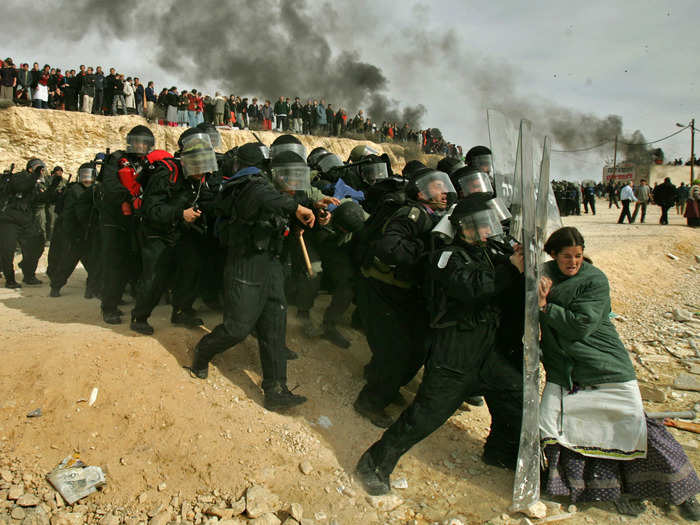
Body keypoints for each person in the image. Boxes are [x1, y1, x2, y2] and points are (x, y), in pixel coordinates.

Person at [355, 197, 525, 496]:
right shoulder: (446, 257)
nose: (487, 230)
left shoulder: (489, 254)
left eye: (489, 224)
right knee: (425, 415)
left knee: (513, 393)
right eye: (480, 226)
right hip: (455, 353)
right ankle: (374, 463)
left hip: (487, 349)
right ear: (464, 229)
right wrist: (511, 268)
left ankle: (500, 451)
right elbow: (472, 287)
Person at [537, 226, 700, 520]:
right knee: (560, 428)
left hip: (605, 367)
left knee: (632, 426)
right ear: (553, 255)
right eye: (566, 257)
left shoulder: (594, 280)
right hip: (566, 373)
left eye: (578, 255)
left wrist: (547, 307)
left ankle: (683, 491)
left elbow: (581, 324)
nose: (573, 262)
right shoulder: (543, 275)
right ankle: (593, 489)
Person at [187, 142, 316, 412]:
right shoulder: (250, 184)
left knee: (274, 326)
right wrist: (295, 209)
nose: (293, 183)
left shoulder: (275, 191)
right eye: (288, 176)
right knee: (237, 328)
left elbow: (285, 210)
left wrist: (315, 211)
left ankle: (276, 389)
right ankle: (203, 352)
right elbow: (265, 199)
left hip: (271, 264)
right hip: (244, 264)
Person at [354, 168, 456, 428]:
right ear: (421, 193)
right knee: (396, 352)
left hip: (405, 291)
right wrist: (427, 251)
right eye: (436, 187)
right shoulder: (412, 214)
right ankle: (371, 401)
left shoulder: (437, 217)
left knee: (418, 348)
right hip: (382, 289)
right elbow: (389, 247)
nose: (444, 193)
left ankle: (384, 380)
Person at [129, 132, 211, 335]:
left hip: (178, 230)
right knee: (155, 276)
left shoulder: (196, 179)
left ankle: (181, 310)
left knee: (191, 267)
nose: (204, 172)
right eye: (200, 166)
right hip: (156, 232)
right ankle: (139, 316)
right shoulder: (166, 173)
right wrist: (180, 213)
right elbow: (151, 210)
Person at [98, 125, 155, 324]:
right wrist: (130, 195)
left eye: (144, 142)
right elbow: (110, 186)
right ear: (131, 142)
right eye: (137, 141)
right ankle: (109, 306)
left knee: (137, 260)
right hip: (115, 219)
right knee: (115, 262)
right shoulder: (116, 159)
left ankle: (134, 297)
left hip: (137, 218)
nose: (140, 145)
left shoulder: (149, 163)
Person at [0, 159, 62, 287]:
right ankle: (10, 280)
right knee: (8, 250)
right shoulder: (18, 177)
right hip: (10, 218)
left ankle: (28, 274)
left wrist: (53, 186)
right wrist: (35, 176)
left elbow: (41, 199)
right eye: (39, 169)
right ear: (30, 169)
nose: (41, 172)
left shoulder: (37, 182)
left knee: (37, 244)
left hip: (26, 218)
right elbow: (21, 187)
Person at [47, 163, 98, 297]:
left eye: (89, 176)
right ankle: (55, 287)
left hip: (88, 233)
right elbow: (68, 214)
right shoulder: (74, 190)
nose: (87, 179)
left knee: (93, 265)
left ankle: (91, 290)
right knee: (67, 263)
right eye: (84, 176)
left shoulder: (95, 190)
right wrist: (71, 233)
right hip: (75, 233)